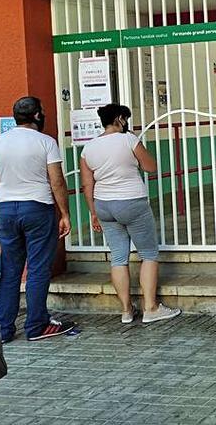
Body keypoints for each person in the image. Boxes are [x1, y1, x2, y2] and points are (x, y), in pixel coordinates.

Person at [79, 104, 180, 324]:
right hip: (131, 201)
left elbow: (87, 184)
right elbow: (150, 166)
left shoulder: (89, 148)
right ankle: (151, 308)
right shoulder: (128, 140)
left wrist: (93, 212)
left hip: (104, 205)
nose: (127, 123)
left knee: (118, 257)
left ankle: (126, 310)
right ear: (119, 119)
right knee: (149, 253)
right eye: (125, 119)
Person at [0, 96, 75, 341]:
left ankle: (3, 329)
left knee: (10, 271)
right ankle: (36, 325)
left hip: (6, 209)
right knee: (38, 268)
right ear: (38, 115)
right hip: (37, 208)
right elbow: (56, 181)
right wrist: (65, 213)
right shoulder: (46, 142)